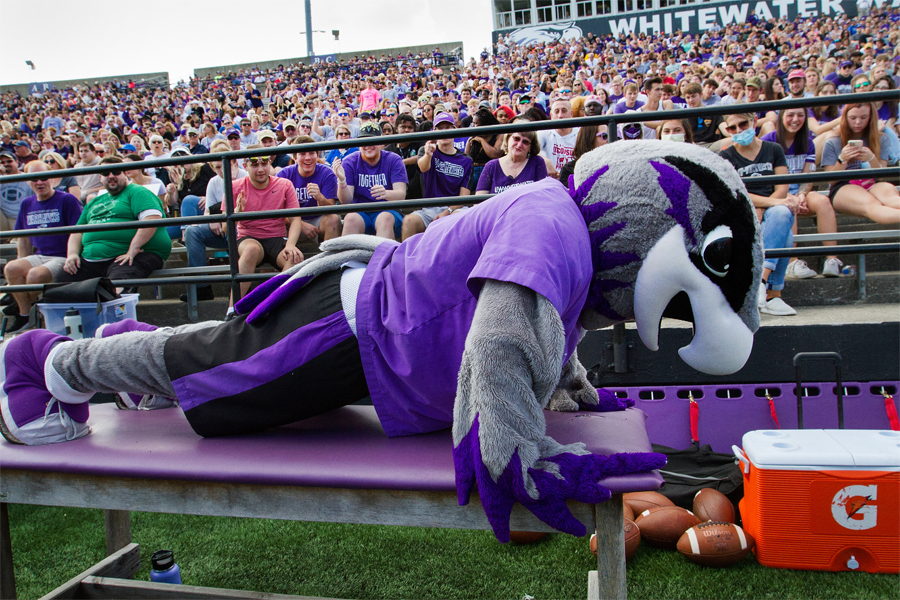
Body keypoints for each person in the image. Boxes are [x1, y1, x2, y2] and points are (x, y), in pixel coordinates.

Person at [719, 112, 798, 316]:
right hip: (744, 210)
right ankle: (773, 294)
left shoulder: (773, 149)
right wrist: (769, 204)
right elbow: (735, 192)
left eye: (742, 124)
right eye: (732, 128)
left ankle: (760, 282)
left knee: (781, 213)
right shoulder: (726, 156)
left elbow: (782, 186)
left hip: (771, 207)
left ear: (754, 121)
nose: (738, 131)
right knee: (785, 229)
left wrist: (768, 205)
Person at [56, 156, 172, 289]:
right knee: (60, 284)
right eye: (106, 173)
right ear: (100, 178)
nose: (111, 176)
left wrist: (133, 248)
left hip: (131, 254)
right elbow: (78, 232)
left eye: (116, 172)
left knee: (116, 286)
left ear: (125, 174)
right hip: (91, 260)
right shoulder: (94, 201)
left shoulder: (138, 192)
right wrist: (72, 255)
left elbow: (151, 219)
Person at [2, 161, 83, 334]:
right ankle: (24, 314)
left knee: (34, 275)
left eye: (44, 177)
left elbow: (79, 231)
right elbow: (23, 240)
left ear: (51, 178)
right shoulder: (26, 203)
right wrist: (21, 260)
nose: (39, 182)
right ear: (27, 181)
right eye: (34, 178)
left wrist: (73, 254)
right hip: (41, 255)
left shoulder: (66, 199)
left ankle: (21, 305)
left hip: (63, 255)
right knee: (12, 268)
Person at [762, 108, 842, 278]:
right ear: (782, 117)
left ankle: (832, 258)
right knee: (789, 207)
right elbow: (766, 178)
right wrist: (789, 197)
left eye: (800, 115)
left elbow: (808, 175)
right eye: (790, 115)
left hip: (798, 192)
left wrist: (802, 195)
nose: (795, 119)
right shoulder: (768, 140)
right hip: (776, 193)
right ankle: (792, 262)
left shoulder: (808, 143)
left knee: (823, 201)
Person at [227, 146, 306, 317]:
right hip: (248, 236)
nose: (261, 169)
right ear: (245, 165)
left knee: (294, 258)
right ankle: (232, 310)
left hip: (276, 236)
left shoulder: (284, 184)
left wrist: (291, 244)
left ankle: (277, 307)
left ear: (270, 162)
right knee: (251, 250)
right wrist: (236, 213)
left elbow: (295, 219)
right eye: (254, 164)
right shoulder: (235, 186)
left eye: (264, 163)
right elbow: (226, 228)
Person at [180, 141, 247, 303]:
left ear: (233, 162)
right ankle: (202, 287)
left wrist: (218, 214)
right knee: (192, 231)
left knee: (232, 227)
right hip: (221, 229)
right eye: (216, 167)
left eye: (224, 165)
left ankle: (241, 281)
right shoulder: (214, 182)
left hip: (242, 228)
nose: (221, 170)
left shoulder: (245, 176)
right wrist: (213, 218)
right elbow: (208, 212)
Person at [822, 103, 900, 224]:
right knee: (872, 206)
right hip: (844, 185)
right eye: (853, 118)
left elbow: (881, 175)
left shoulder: (881, 139)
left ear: (870, 117)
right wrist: (842, 159)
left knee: (892, 199)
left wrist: (871, 158)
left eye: (863, 117)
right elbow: (831, 180)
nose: (858, 122)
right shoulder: (832, 142)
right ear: (845, 118)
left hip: (873, 182)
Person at [401, 112, 473, 241]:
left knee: (459, 221)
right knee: (409, 221)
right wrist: (428, 155)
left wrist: (447, 212)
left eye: (447, 127)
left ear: (454, 129)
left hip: (455, 209)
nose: (444, 131)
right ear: (434, 131)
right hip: (430, 208)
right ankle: (406, 260)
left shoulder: (466, 160)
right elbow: (423, 168)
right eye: (440, 128)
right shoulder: (426, 150)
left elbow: (464, 197)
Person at [333, 123, 408, 240]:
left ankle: (384, 258)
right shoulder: (349, 161)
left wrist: (386, 193)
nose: (368, 145)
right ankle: (349, 258)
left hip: (388, 211)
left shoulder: (394, 159)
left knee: (385, 218)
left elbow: (401, 195)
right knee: (350, 218)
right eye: (364, 141)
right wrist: (342, 181)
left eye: (373, 140)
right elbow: (346, 201)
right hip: (360, 212)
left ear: (381, 142)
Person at [276, 135, 342, 242]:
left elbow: (331, 208)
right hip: (291, 223)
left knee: (334, 220)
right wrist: (300, 224)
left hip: (318, 220)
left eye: (311, 153)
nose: (308, 157)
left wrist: (320, 197)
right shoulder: (283, 175)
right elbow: (276, 210)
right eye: (302, 153)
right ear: (295, 158)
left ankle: (329, 258)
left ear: (317, 155)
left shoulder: (326, 173)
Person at [537, 98, 578, 178]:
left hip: (573, 180)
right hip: (550, 181)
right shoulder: (544, 132)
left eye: (564, 110)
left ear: (571, 114)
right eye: (556, 111)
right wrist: (545, 160)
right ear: (551, 116)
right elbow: (530, 150)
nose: (560, 116)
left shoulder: (579, 134)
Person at [464, 108, 503, 189]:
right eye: (473, 123)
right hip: (473, 171)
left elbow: (495, 154)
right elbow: (466, 158)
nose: (473, 126)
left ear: (485, 124)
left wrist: (481, 140)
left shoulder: (498, 135)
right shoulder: (472, 137)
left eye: (476, 124)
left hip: (490, 171)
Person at [0, 151, 34, 231]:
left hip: (22, 217)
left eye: (9, 161)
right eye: (2, 162)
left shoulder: (27, 178)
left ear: (16, 162)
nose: (6, 164)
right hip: (4, 218)